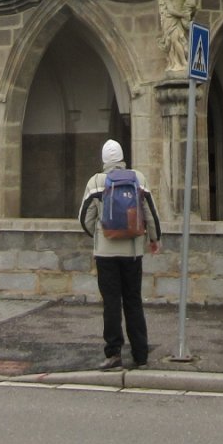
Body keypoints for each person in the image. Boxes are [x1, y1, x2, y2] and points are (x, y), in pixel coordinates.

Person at [78, 139, 161, 370]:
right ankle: (141, 354)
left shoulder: (96, 182)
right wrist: (154, 239)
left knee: (111, 304)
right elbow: (151, 213)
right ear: (122, 158)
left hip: (105, 254)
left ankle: (113, 353)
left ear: (104, 160)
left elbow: (84, 219)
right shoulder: (138, 178)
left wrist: (98, 237)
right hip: (133, 253)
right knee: (133, 301)